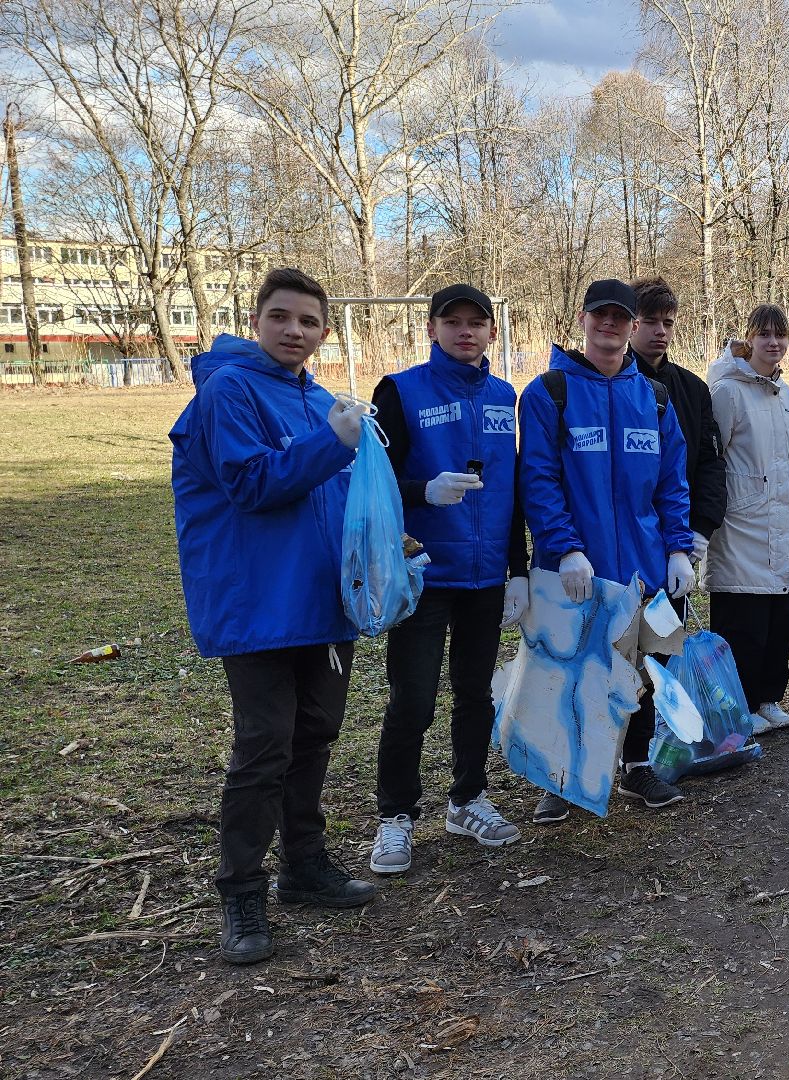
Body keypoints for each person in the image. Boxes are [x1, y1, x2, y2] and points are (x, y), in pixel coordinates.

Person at [170, 267, 380, 965]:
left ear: (324, 332)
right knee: (264, 748)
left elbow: (340, 493)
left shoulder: (316, 397)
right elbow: (253, 484)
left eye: (308, 321)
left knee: (315, 735)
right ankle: (241, 893)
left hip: (320, 601)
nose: (295, 331)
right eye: (281, 317)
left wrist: (405, 516)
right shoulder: (229, 390)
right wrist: (333, 443)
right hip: (258, 602)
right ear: (256, 320)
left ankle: (305, 866)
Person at [519, 278, 697, 823]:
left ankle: (636, 765)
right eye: (601, 315)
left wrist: (679, 549)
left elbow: (672, 483)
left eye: (621, 317)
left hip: (643, 567)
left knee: (645, 668)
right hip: (576, 569)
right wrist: (565, 548)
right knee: (569, 671)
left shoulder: (656, 398)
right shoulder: (550, 393)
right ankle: (562, 775)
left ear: (631, 324)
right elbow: (540, 479)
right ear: (583, 318)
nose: (610, 326)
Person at [363, 284, 526, 875]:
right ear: (432, 328)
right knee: (413, 699)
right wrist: (422, 492)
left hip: (485, 579)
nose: (466, 332)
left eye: (476, 323)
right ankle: (396, 817)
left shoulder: (505, 395)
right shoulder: (400, 391)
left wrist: (518, 571)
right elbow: (370, 482)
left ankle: (467, 799)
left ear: (491, 331)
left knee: (474, 694)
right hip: (426, 574)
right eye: (452, 322)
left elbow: (511, 492)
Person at [624, 278, 727, 778]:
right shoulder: (611, 383)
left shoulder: (690, 389)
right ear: (629, 322)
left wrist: (697, 533)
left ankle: (652, 750)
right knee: (609, 655)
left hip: (674, 547)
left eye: (668, 322)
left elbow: (708, 465)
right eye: (650, 321)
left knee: (661, 648)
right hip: (616, 549)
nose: (660, 332)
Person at [706, 304, 789, 732]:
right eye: (764, 334)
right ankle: (739, 704)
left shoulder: (786, 395)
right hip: (741, 526)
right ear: (748, 338)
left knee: (779, 622)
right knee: (743, 625)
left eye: (780, 335)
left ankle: (768, 696)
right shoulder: (728, 392)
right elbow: (713, 458)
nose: (773, 343)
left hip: (781, 521)